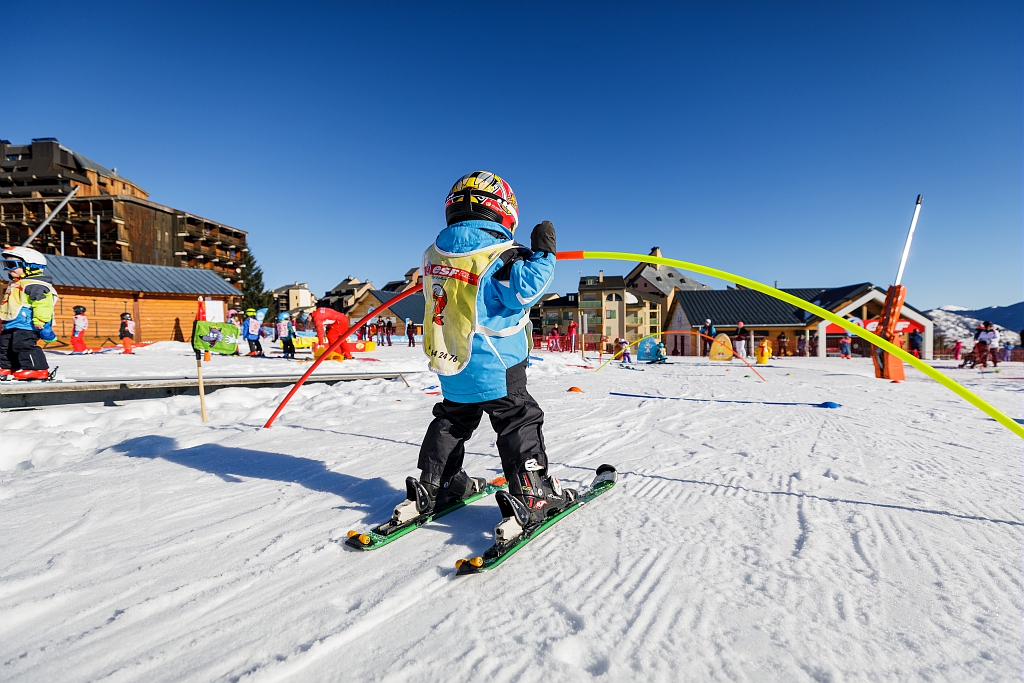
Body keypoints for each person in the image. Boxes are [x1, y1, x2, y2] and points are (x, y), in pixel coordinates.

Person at [391, 170, 576, 546]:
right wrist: (544, 255)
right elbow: (524, 291)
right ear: (503, 210)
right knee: (517, 418)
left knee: (453, 418)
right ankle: (533, 491)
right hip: (497, 362)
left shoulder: (432, 254)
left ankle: (436, 483)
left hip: (452, 359)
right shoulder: (501, 256)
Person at [0, 246, 57, 380]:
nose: (8, 269)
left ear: (31, 266)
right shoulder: (17, 283)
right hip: (12, 323)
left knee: (23, 345)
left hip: (28, 324)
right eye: (6, 264)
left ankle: (36, 369)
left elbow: (43, 304)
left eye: (12, 264)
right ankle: (8, 367)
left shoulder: (35, 284)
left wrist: (41, 320)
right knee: (4, 345)